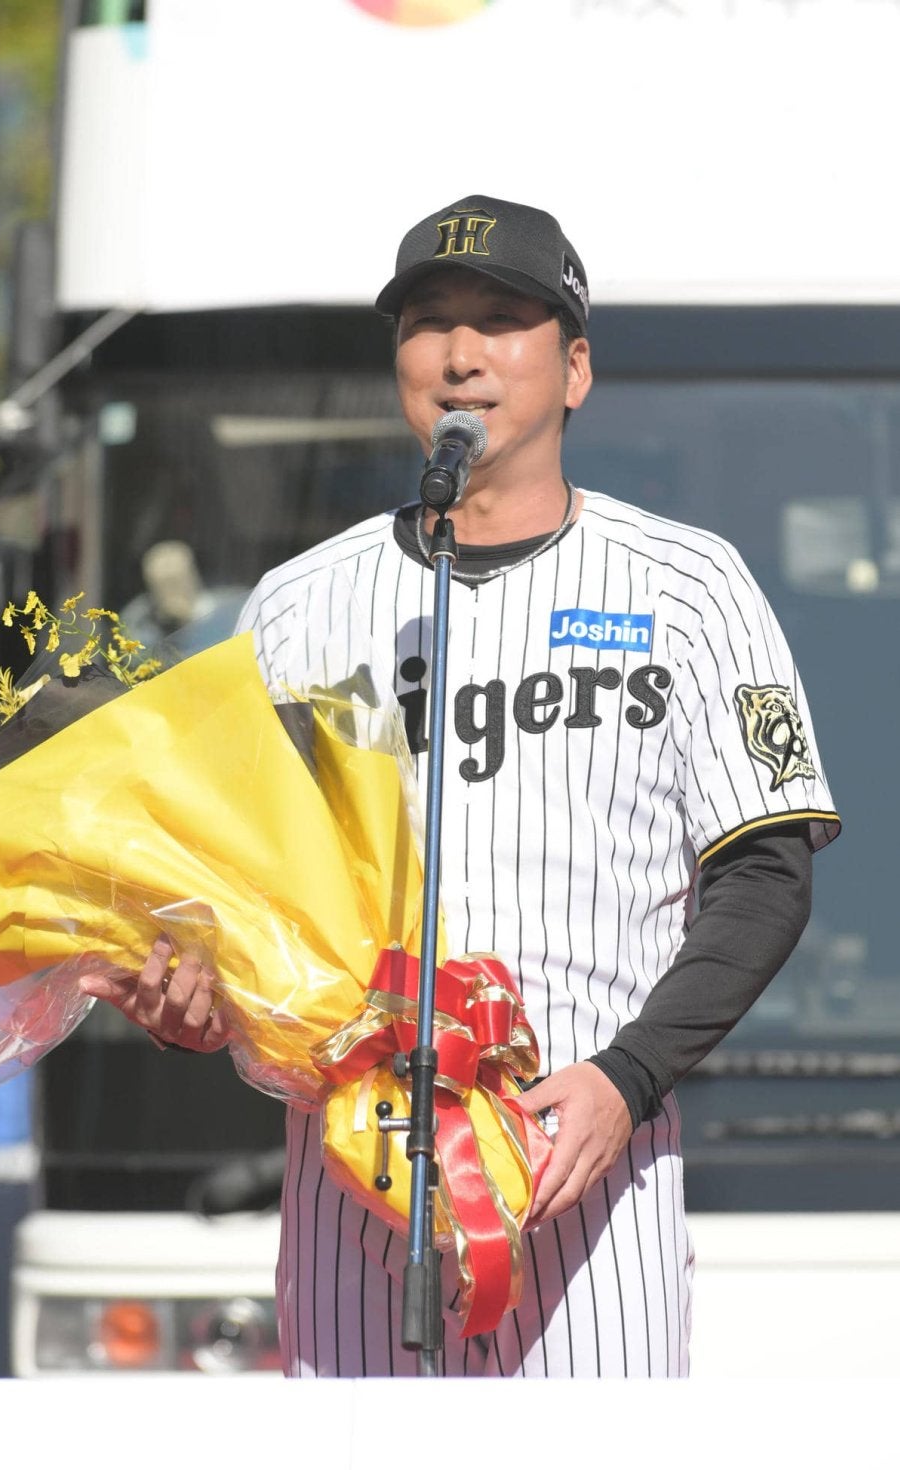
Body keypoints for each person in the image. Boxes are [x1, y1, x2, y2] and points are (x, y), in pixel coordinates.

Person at [82, 195, 840, 1377]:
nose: (460, 353)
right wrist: (193, 999)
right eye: (428, 321)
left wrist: (626, 1079)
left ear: (573, 368)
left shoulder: (687, 586)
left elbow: (764, 876)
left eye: (500, 319)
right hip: (353, 1191)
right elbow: (232, 893)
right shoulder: (296, 606)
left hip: (588, 1185)